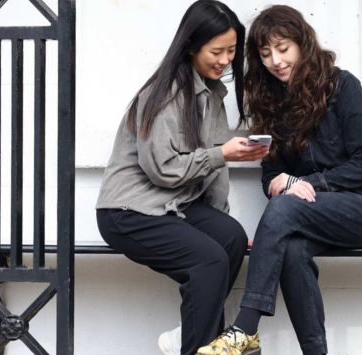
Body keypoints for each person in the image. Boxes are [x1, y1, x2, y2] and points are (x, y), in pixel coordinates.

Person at [197, 5, 362, 355]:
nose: (276, 60)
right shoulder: (272, 103)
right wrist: (284, 182)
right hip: (313, 215)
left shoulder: (343, 87)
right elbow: (271, 176)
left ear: (303, 43)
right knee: (289, 247)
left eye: (283, 48)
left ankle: (244, 328)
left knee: (286, 207)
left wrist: (307, 185)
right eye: (265, 53)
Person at [95, 1, 269, 355]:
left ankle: (189, 336)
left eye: (231, 51)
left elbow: (214, 168)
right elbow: (162, 168)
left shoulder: (213, 93)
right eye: (216, 51)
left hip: (173, 205)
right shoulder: (164, 93)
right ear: (191, 46)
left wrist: (218, 215)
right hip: (129, 210)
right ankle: (197, 346)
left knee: (231, 238)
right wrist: (223, 154)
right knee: (208, 261)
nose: (224, 60)